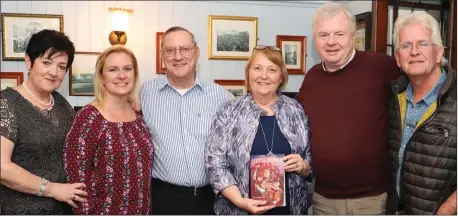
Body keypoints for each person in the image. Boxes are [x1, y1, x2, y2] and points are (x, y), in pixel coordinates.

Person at [296, 2, 401, 214]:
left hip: (371, 200)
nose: (331, 42)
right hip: (324, 199)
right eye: (324, 35)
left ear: (353, 37)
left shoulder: (381, 67)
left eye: (339, 34)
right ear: (315, 39)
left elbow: (420, 84)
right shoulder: (311, 78)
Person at [205, 46, 312, 215]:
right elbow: (215, 163)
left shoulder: (296, 110)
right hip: (239, 209)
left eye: (272, 69)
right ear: (248, 73)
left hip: (290, 210)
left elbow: (310, 160)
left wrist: (303, 165)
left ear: (281, 77)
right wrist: (240, 201)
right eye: (257, 68)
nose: (264, 76)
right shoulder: (229, 110)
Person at [140, 26, 231, 214]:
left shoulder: (220, 96)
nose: (178, 56)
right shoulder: (144, 94)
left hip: (210, 200)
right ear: (162, 56)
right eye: (170, 50)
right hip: (162, 199)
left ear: (196, 53)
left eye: (185, 49)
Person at [0, 29, 88, 214]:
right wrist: (53, 189)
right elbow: (2, 168)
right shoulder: (6, 103)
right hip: (22, 209)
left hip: (63, 208)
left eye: (62, 66)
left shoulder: (63, 104)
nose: (54, 72)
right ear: (28, 61)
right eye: (47, 62)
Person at [64, 45, 154, 215]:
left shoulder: (138, 114)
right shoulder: (88, 118)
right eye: (113, 69)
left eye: (127, 69)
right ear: (101, 77)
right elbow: (77, 182)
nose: (122, 75)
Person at [386, 11, 456, 215]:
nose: (414, 51)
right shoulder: (393, 96)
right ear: (398, 58)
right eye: (406, 46)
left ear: (439, 52)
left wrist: (446, 211)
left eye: (423, 44)